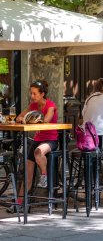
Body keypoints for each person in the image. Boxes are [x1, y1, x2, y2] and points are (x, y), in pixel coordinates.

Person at [9, 80, 58, 213]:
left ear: (42, 94)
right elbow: (19, 117)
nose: (32, 96)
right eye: (31, 93)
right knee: (27, 174)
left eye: (35, 93)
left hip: (51, 140)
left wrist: (32, 118)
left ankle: (44, 175)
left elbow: (46, 120)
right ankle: (19, 203)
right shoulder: (33, 106)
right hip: (37, 139)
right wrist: (22, 118)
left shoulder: (50, 106)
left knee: (38, 152)